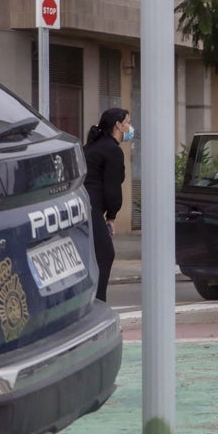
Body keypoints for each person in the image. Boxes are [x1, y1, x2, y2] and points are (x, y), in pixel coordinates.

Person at [84, 108, 132, 302]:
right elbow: (112, 188)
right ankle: (98, 303)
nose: (130, 127)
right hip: (91, 208)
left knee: (91, 256)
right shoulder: (112, 150)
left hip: (81, 206)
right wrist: (111, 216)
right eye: (127, 122)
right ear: (118, 126)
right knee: (105, 255)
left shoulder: (93, 146)